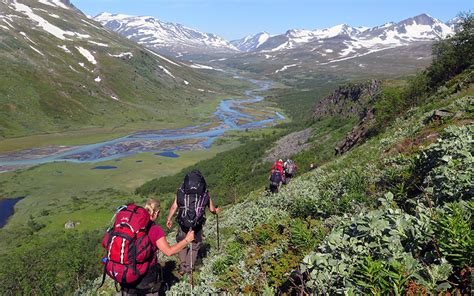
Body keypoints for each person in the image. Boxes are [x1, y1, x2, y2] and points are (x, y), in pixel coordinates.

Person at [120, 199, 195, 296]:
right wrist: (187, 240)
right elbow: (169, 252)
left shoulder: (130, 226)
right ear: (157, 212)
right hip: (146, 279)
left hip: (126, 274)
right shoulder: (155, 230)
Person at [166, 170, 220, 275]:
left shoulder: (182, 190)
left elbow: (174, 206)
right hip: (197, 223)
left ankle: (182, 267)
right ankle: (189, 268)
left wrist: (169, 218)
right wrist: (216, 211)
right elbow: (212, 209)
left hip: (183, 221)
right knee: (195, 245)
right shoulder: (204, 192)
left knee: (182, 242)